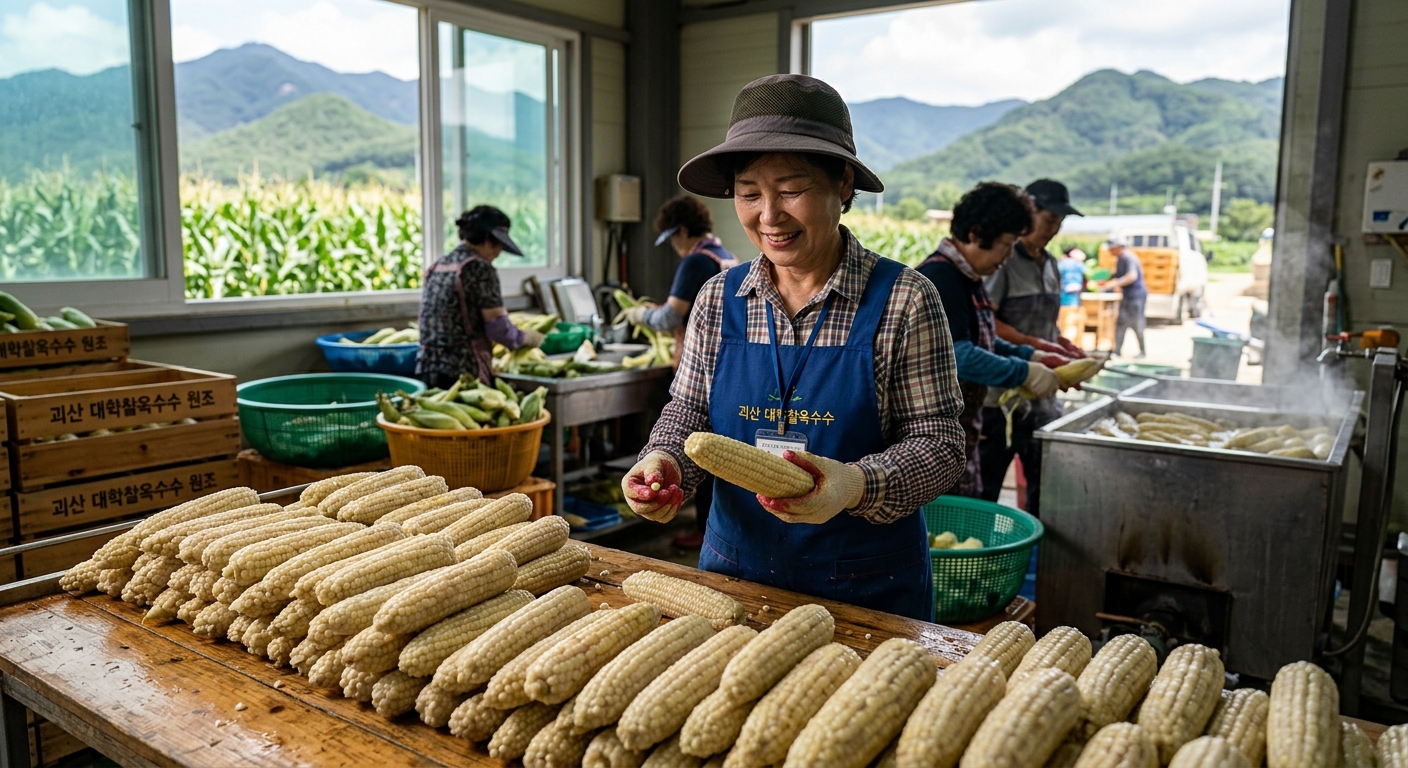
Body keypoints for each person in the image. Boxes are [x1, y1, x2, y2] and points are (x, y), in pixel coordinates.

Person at [620, 74, 966, 621]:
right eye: (749, 193)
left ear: (843, 184)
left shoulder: (904, 300)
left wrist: (853, 484)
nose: (768, 216)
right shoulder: (719, 298)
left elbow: (941, 445)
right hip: (734, 574)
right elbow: (688, 412)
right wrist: (663, 462)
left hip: (865, 587)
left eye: (791, 190)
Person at [916, 182, 1067, 500]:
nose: (1009, 255)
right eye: (1006, 245)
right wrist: (1024, 372)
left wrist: (1031, 356)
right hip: (931, 436)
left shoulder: (968, 278)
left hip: (962, 428)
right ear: (974, 234)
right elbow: (958, 355)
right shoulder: (940, 279)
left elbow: (982, 339)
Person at [627, 196, 739, 549]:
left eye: (674, 238)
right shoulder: (726, 255)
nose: (675, 246)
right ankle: (709, 526)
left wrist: (639, 315)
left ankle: (704, 529)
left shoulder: (695, 261)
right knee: (716, 448)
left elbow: (669, 317)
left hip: (697, 366)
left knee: (701, 449)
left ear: (684, 231)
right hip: (731, 365)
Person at [978, 178, 1086, 516]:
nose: (1053, 230)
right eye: (1049, 220)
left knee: (1045, 489)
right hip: (1000, 400)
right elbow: (987, 324)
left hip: (1042, 397)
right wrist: (1036, 347)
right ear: (1030, 212)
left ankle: (1036, 546)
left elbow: (1048, 324)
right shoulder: (1004, 260)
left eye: (1059, 223)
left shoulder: (1051, 264)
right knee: (986, 489)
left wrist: (1064, 349)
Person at [416, 205, 544, 389]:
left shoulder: (439, 265)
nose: (499, 252)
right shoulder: (480, 269)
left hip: (427, 367)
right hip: (462, 372)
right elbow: (498, 329)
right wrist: (525, 338)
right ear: (488, 239)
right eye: (499, 245)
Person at [1101, 237, 1147, 358]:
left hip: (1136, 295)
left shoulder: (1128, 257)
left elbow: (1131, 276)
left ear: (1118, 247)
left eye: (1111, 249)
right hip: (1127, 295)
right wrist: (1104, 278)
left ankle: (1142, 351)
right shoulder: (1120, 259)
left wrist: (1114, 284)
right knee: (1121, 321)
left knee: (1136, 322)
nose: (1110, 252)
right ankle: (1117, 351)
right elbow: (1118, 274)